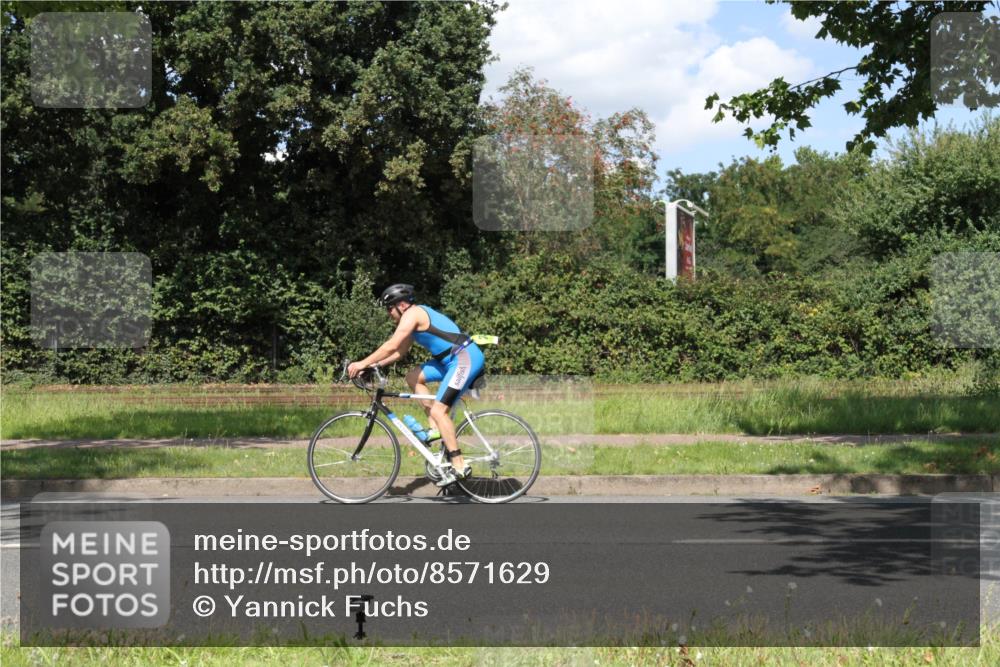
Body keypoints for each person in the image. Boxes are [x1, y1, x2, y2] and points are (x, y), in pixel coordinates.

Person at [347, 284, 484, 487]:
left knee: (440, 411)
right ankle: (434, 429)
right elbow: (398, 353)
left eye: (389, 308)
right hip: (448, 361)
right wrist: (373, 365)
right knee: (413, 378)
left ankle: (459, 465)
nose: (388, 314)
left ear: (401, 305)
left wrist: (362, 363)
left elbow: (391, 345)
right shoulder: (410, 319)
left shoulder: (413, 314)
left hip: (464, 358)